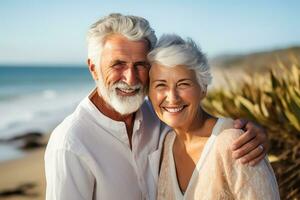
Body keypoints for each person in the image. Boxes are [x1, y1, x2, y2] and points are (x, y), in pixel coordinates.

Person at [45, 13, 268, 200]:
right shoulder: (70, 144)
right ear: (93, 68)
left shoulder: (159, 118)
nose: (131, 79)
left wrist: (246, 130)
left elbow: (202, 127)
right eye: (118, 64)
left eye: (140, 65)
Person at [147, 34, 280, 199]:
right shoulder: (166, 143)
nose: (172, 97)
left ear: (203, 88)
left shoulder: (234, 143)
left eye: (183, 84)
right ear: (149, 93)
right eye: (161, 85)